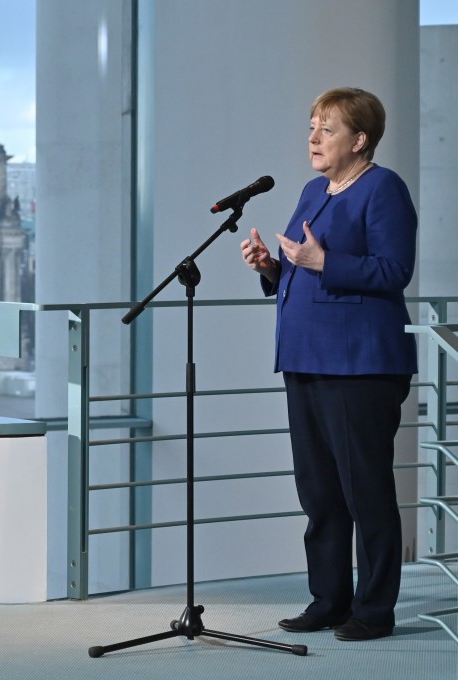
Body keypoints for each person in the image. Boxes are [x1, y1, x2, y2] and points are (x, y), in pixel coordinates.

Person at [240, 87, 417, 642]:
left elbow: (395, 270)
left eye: (327, 128)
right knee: (318, 492)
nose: (313, 138)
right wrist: (271, 269)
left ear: (360, 139)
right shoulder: (314, 190)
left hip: (360, 365)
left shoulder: (383, 188)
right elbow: (302, 267)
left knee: (365, 491)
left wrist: (323, 260)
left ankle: (374, 610)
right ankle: (329, 600)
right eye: (312, 126)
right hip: (305, 358)